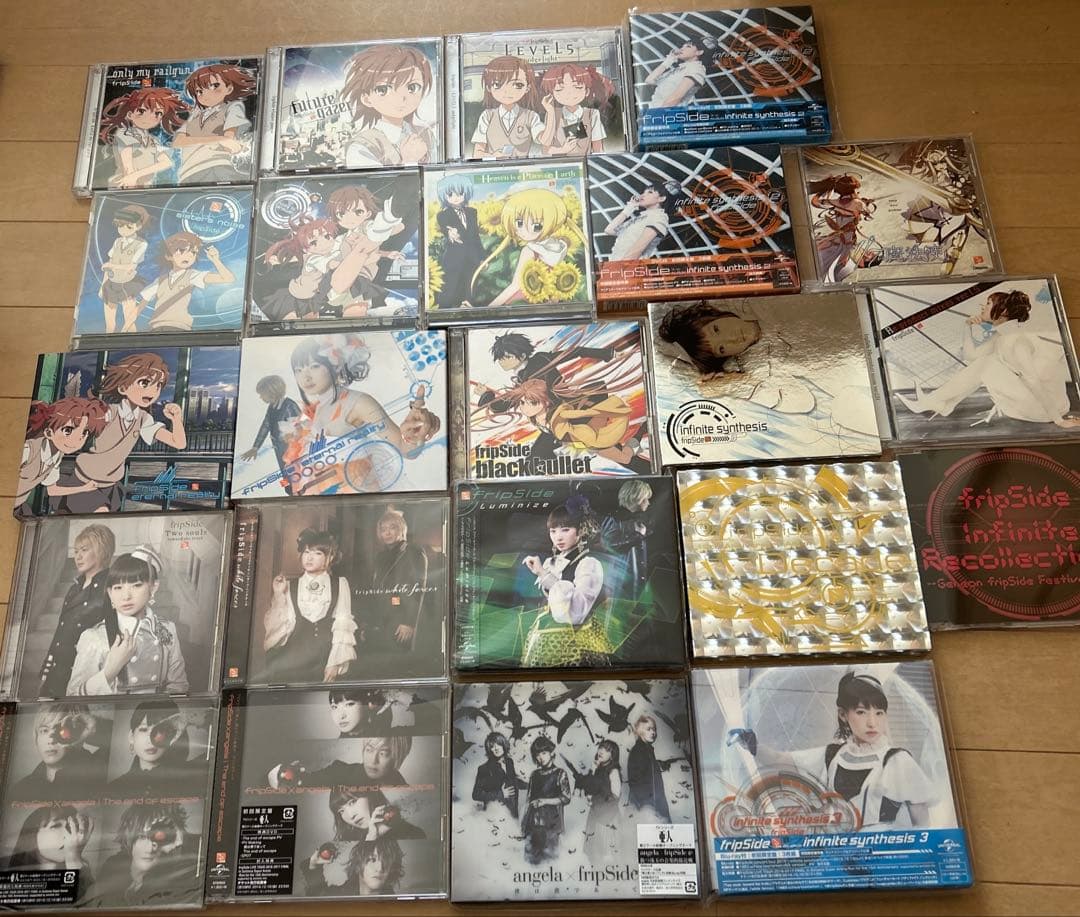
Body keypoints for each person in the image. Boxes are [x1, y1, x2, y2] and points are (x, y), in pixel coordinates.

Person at [728, 672, 937, 829]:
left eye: (879, 713)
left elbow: (922, 825)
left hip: (883, 855)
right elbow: (781, 760)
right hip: (838, 852)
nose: (872, 722)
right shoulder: (834, 755)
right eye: (861, 712)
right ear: (843, 715)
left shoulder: (897, 760)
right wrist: (753, 745)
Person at [895, 288, 1080, 429]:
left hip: (1047, 408)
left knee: (987, 364)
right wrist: (967, 326)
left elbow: (1033, 380)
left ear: (1003, 311)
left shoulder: (1016, 340)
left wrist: (1059, 420)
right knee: (985, 362)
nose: (983, 307)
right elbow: (971, 356)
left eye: (988, 303)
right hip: (1043, 403)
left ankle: (936, 402)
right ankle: (942, 403)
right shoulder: (1003, 335)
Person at [65, 352, 185, 514]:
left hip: (112, 485)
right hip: (85, 480)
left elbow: (178, 443)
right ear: (123, 388)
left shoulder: (144, 419)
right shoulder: (108, 412)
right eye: (144, 383)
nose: (152, 390)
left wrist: (176, 419)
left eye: (158, 385)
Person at [67, 547, 190, 697]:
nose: (126, 596)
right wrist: (110, 671)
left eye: (136, 585)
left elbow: (179, 686)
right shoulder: (94, 637)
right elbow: (72, 698)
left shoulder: (167, 629)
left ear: (153, 587)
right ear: (110, 593)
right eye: (118, 587)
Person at [520, 495, 614, 667]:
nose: (558, 537)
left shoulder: (589, 564)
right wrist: (542, 573)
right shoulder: (551, 562)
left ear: (581, 530)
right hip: (545, 637)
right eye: (553, 531)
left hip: (577, 642)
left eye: (565, 529)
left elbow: (576, 612)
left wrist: (543, 574)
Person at [261, 528, 357, 684]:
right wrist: (278, 594)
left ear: (330, 557)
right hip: (294, 660)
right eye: (306, 552)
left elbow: (343, 625)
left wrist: (334, 663)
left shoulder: (340, 584)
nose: (309, 558)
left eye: (317, 553)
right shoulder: (289, 585)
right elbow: (279, 627)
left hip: (325, 658)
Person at [470, 188, 586, 307]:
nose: (524, 230)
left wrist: (490, 307)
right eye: (519, 223)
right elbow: (557, 284)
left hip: (523, 299)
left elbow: (515, 285)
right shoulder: (560, 247)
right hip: (546, 301)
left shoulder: (530, 250)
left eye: (536, 226)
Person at [37, 523, 116, 699]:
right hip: (57, 671)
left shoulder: (112, 587)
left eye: (84, 550)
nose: (78, 556)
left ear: (102, 550)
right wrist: (46, 671)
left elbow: (111, 640)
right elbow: (60, 633)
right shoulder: (75, 587)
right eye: (76, 551)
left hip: (84, 675)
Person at [265, 690, 394, 788]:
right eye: (334, 707)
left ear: (369, 704)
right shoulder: (335, 764)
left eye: (349, 704)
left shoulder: (389, 734)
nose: (341, 715)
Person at [341, 44, 436, 168]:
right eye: (383, 90)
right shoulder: (362, 145)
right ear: (366, 99)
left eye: (412, 87)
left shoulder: (426, 134)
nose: (401, 98)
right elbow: (368, 181)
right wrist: (409, 161)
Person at [91, 802, 199, 907]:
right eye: (142, 837)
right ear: (129, 837)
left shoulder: (172, 878)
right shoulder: (112, 866)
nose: (150, 848)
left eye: (158, 839)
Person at [17, 398, 108, 518]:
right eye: (68, 430)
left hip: (16, 506)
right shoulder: (28, 450)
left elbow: (52, 490)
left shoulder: (56, 456)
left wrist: (84, 488)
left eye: (84, 432)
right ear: (49, 433)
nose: (78, 439)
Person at [126, 232, 235, 333]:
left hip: (179, 328)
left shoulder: (192, 275)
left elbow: (227, 278)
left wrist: (215, 260)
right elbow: (140, 307)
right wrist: (126, 328)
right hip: (156, 329)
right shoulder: (160, 281)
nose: (188, 256)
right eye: (181, 250)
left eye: (193, 252)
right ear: (168, 256)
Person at [325, 185, 406, 318]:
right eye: (342, 213)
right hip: (343, 276)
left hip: (360, 277)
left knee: (355, 308)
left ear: (368, 214)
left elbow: (381, 231)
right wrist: (332, 263)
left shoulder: (366, 228)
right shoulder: (341, 239)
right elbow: (333, 256)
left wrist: (385, 250)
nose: (349, 218)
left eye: (358, 212)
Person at [172, 63, 256, 184]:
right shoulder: (195, 115)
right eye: (199, 91)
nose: (206, 94)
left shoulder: (232, 107)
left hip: (216, 166)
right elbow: (178, 142)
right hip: (188, 172)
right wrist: (217, 140)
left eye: (214, 86)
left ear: (229, 88)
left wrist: (199, 141)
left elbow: (229, 140)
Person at [364, 506, 429, 657]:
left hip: (401, 619)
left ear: (401, 529)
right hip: (381, 618)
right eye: (383, 529)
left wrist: (409, 622)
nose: (387, 533)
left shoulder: (414, 551)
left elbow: (419, 589)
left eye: (392, 528)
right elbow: (375, 588)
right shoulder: (380, 556)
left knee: (398, 659)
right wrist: (369, 622)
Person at [108, 698, 203, 798]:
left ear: (174, 736)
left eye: (161, 730)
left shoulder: (195, 777)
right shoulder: (113, 789)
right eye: (144, 729)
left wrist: (191, 718)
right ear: (131, 737)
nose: (151, 740)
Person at [10, 704, 107, 800]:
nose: (51, 740)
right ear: (36, 738)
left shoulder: (101, 770)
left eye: (61, 730)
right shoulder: (20, 790)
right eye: (44, 730)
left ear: (81, 732)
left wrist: (93, 728)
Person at [98, 88, 187, 189]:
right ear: (130, 115)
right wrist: (131, 177)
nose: (149, 117)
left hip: (145, 187)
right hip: (123, 185)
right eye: (142, 111)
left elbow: (166, 162)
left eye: (158, 113)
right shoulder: (125, 133)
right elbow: (127, 163)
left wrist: (136, 175)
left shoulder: (153, 140)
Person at [656, 300, 763, 374]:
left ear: (716, 317)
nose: (731, 338)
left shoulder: (756, 303)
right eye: (721, 349)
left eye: (716, 329)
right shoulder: (757, 364)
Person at [808, 173, 878, 283]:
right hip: (846, 241)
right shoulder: (858, 203)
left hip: (838, 238)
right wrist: (865, 202)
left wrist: (822, 191)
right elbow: (868, 213)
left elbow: (814, 202)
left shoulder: (835, 202)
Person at [470, 56, 544, 159]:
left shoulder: (531, 117)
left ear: (527, 88)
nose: (507, 91)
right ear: (489, 88)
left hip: (524, 167)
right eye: (497, 84)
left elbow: (545, 140)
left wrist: (551, 112)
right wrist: (493, 156)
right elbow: (477, 154)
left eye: (518, 85)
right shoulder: (487, 116)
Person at [239, 375, 301, 494]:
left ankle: (297, 493)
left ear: (272, 392)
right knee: (285, 476)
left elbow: (301, 428)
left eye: (262, 394)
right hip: (280, 449)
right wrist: (255, 447)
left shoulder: (289, 405)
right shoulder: (272, 407)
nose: (260, 397)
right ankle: (289, 492)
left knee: (295, 476)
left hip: (292, 451)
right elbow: (265, 426)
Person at [433, 174, 485, 311]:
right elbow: (445, 227)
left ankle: (466, 310)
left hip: (472, 258)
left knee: (469, 288)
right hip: (453, 259)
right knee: (449, 288)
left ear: (466, 193)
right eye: (450, 194)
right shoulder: (443, 215)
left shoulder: (472, 212)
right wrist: (449, 232)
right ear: (444, 196)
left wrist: (482, 257)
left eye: (460, 193)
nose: (455, 197)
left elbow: (476, 237)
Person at [4, 805, 94, 884]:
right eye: (56, 825)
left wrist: (74, 859)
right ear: (32, 836)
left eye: (70, 826)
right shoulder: (12, 878)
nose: (69, 834)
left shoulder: (81, 867)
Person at [538, 63, 613, 155]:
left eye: (577, 87)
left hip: (585, 162)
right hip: (559, 163)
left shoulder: (592, 114)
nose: (569, 93)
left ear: (586, 91)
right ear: (552, 93)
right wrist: (563, 150)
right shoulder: (553, 114)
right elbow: (545, 150)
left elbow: (598, 148)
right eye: (559, 89)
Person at [98, 204, 150, 334]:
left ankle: (133, 342)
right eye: (120, 226)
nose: (123, 230)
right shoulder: (117, 241)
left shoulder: (141, 243)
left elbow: (132, 266)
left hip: (127, 284)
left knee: (129, 321)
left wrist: (112, 266)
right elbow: (110, 263)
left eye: (129, 226)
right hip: (111, 283)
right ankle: (107, 342)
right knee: (109, 324)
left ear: (138, 226)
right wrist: (102, 286)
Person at [602, 180, 682, 262]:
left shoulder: (659, 217)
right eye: (643, 192)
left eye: (650, 192)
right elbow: (609, 230)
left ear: (661, 198)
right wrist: (629, 209)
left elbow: (636, 251)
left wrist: (619, 268)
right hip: (614, 264)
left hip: (626, 266)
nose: (642, 195)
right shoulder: (639, 218)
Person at [521, 735, 571, 864]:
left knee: (550, 862)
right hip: (533, 824)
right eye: (537, 754)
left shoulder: (560, 773)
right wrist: (524, 824)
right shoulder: (534, 775)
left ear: (551, 753)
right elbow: (528, 800)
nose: (540, 757)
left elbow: (566, 798)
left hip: (551, 825)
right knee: (531, 861)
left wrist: (545, 801)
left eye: (544, 753)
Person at [302, 836, 404, 897]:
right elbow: (317, 894)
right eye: (372, 859)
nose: (380, 868)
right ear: (358, 864)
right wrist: (313, 865)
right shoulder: (340, 896)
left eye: (386, 861)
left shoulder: (396, 907)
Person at [600, 480, 653, 591]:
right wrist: (638, 536)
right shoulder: (614, 519)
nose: (648, 503)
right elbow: (608, 545)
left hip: (637, 583)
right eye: (645, 499)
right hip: (620, 586)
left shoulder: (639, 520)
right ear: (636, 498)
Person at [644, 37, 717, 108]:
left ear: (699, 52)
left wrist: (659, 114)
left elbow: (676, 98)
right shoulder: (678, 69)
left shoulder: (696, 69)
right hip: (654, 110)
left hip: (665, 113)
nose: (682, 49)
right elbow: (649, 80)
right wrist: (669, 60)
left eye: (688, 46)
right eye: (682, 46)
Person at [329, 787, 425, 842]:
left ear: (370, 796)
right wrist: (371, 839)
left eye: (352, 802)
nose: (350, 816)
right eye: (341, 811)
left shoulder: (412, 834)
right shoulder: (346, 841)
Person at [582, 739, 623, 864]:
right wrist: (592, 771)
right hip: (595, 814)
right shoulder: (597, 768)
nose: (601, 751)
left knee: (607, 853)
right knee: (593, 852)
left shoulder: (613, 771)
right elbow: (588, 789)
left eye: (606, 750)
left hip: (607, 816)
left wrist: (597, 801)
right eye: (600, 747)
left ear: (612, 755)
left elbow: (615, 796)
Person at [627, 714, 671, 821]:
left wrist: (658, 765)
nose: (653, 732)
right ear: (640, 731)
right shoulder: (639, 751)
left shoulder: (647, 750)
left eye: (654, 729)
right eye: (648, 729)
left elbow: (647, 774)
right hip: (647, 807)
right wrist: (648, 807)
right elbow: (635, 782)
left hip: (652, 804)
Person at [471, 731, 521, 818]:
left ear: (503, 744)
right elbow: (476, 794)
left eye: (498, 744)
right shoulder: (484, 768)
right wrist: (500, 794)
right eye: (492, 746)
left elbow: (512, 780)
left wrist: (531, 783)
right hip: (495, 814)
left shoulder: (509, 762)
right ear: (489, 750)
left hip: (512, 812)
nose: (496, 748)